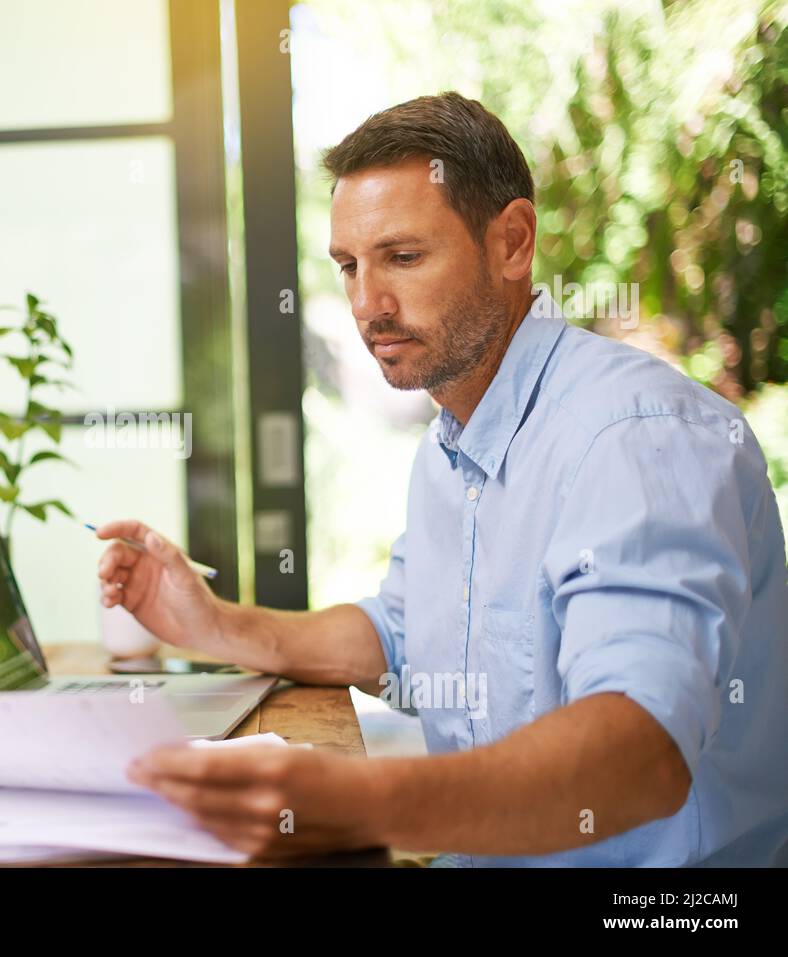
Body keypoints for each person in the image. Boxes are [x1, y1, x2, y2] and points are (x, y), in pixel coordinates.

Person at [98, 92, 788, 867]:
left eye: (402, 256)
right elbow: (399, 634)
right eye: (349, 266)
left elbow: (640, 750)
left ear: (513, 243)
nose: (367, 305)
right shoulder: (449, 448)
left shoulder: (636, 438)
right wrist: (214, 624)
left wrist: (358, 803)